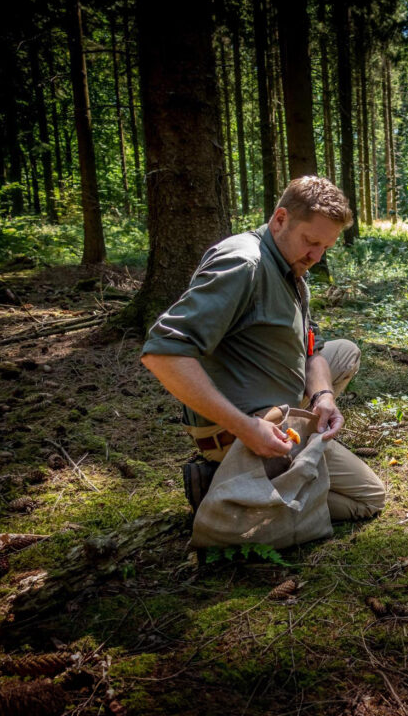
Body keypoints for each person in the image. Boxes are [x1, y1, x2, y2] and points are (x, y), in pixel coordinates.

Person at [141, 176, 386, 524]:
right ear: (280, 218)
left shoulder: (291, 267)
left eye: (325, 247)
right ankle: (228, 489)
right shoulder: (244, 264)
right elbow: (163, 353)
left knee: (343, 352)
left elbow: (311, 349)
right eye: (311, 241)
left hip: (278, 398)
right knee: (369, 498)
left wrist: (323, 398)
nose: (317, 256)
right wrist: (244, 428)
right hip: (246, 424)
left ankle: (273, 469)